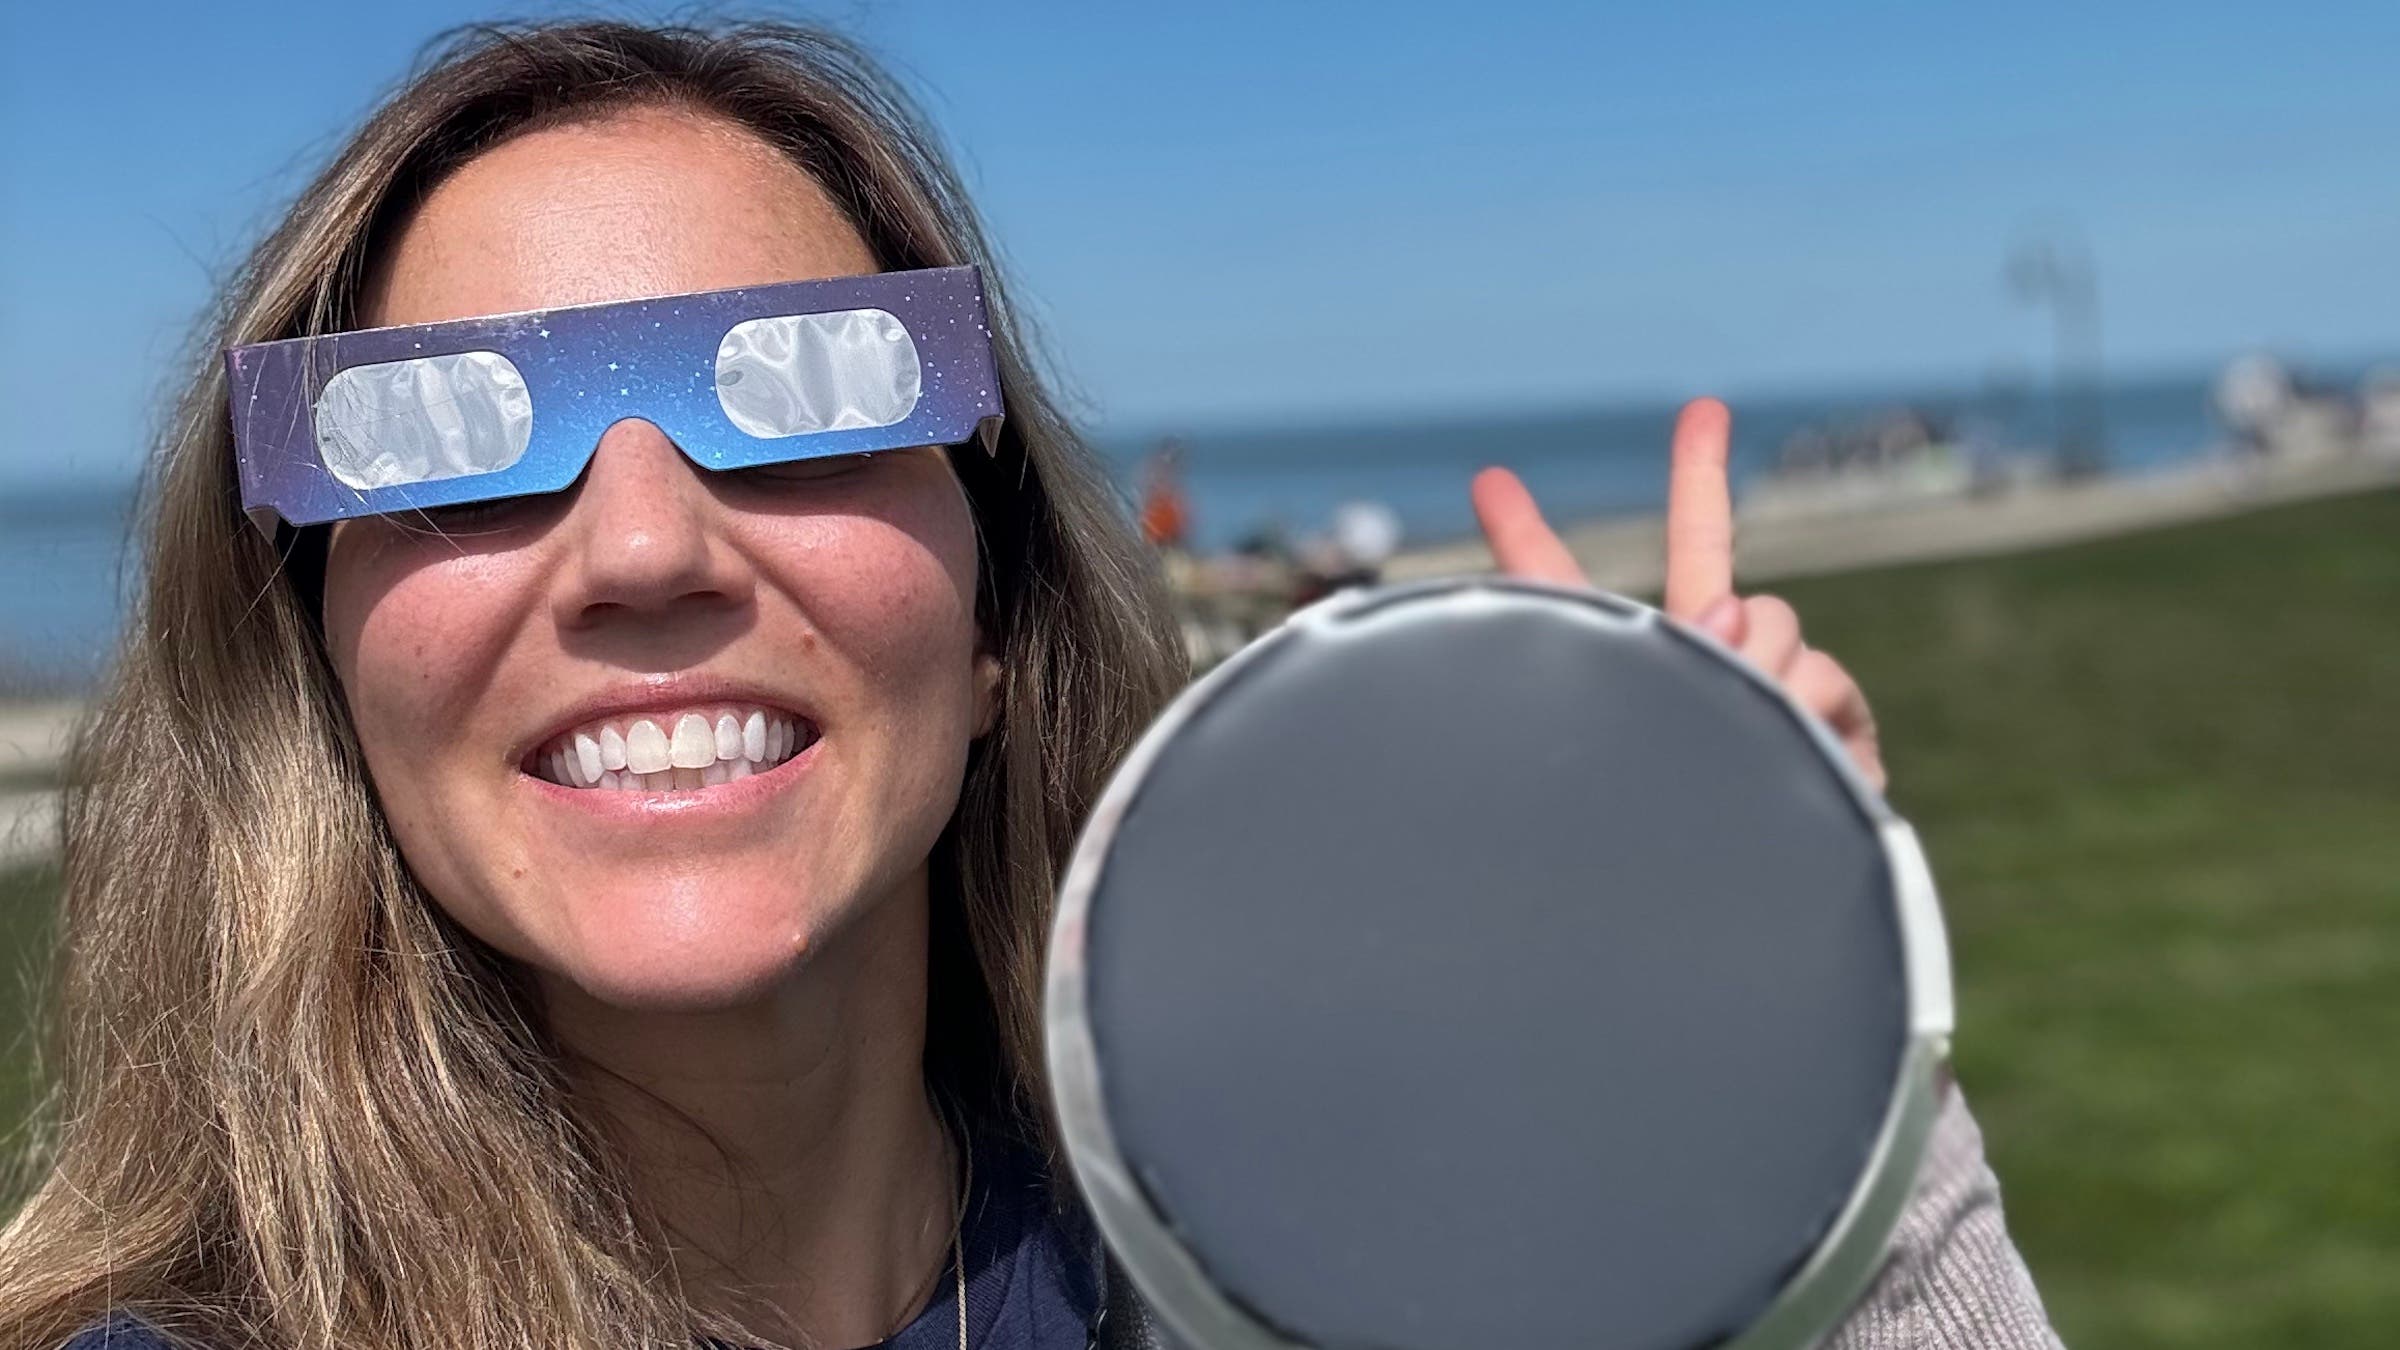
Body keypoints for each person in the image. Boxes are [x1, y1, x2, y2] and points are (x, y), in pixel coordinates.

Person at [0, 19, 2058, 1350]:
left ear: (990, 631)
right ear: (328, 671)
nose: (643, 549)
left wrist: (1791, 1048)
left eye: (804, 404)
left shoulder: (1312, 1262)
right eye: (444, 443)